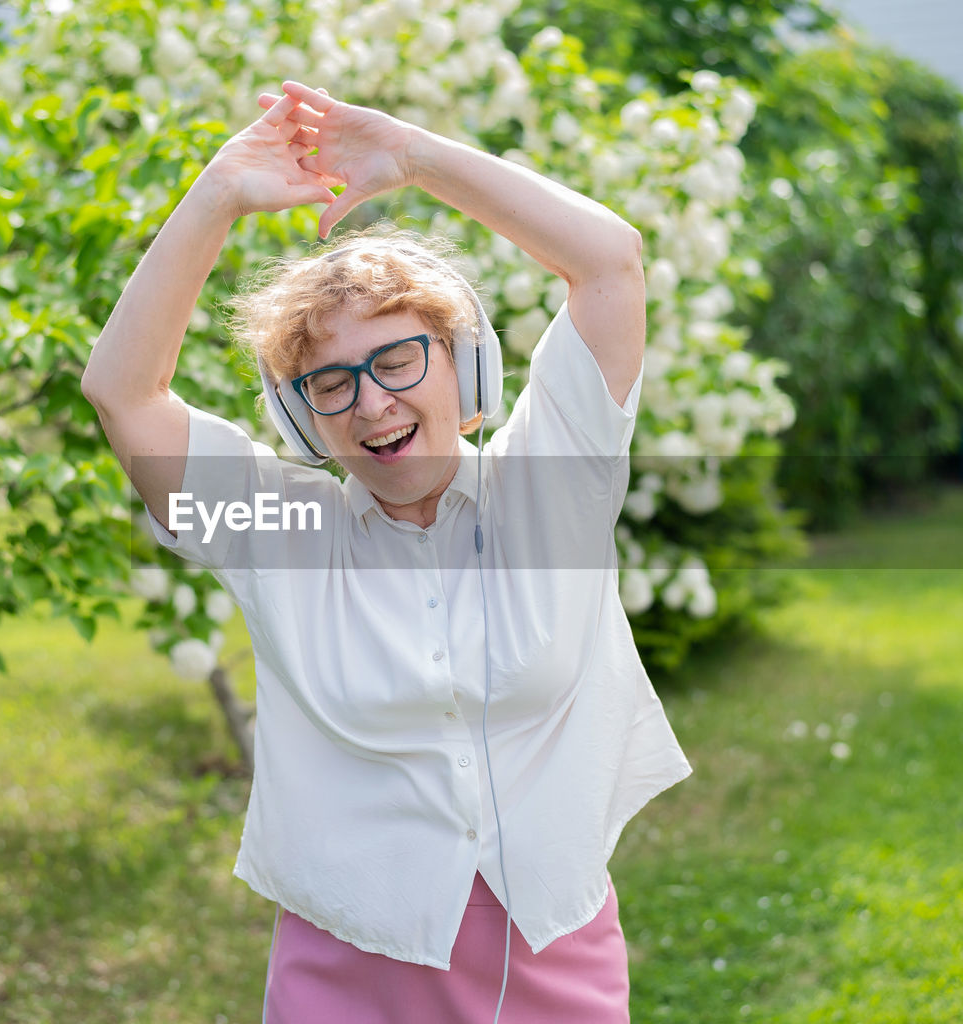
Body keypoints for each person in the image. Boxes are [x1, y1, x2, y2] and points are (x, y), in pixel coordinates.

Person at [82, 80, 691, 1023]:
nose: (371, 404)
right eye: (330, 384)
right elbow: (124, 392)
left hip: (553, 951)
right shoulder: (286, 534)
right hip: (350, 967)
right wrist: (218, 193)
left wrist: (414, 157)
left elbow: (610, 263)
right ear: (302, 417)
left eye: (399, 361)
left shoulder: (550, 491)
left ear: (467, 365)